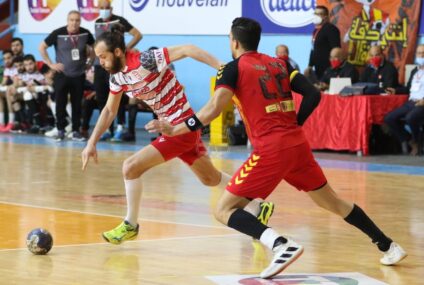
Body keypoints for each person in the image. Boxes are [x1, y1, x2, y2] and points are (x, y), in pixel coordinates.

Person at [146, 17, 407, 279]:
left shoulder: (233, 68)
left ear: (234, 41)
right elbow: (314, 95)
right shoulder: (280, 63)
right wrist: (295, 124)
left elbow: (214, 108)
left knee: (223, 210)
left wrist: (176, 128)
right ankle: (388, 245)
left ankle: (281, 244)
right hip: (297, 144)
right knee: (333, 202)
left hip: (271, 149)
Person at [81, 25, 274, 245]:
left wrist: (224, 68)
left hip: (181, 127)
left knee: (130, 167)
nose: (101, 63)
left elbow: (187, 49)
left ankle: (130, 225)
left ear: (117, 52)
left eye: (103, 57)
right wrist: (91, 142)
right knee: (210, 178)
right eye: (99, 58)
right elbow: (108, 110)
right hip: (175, 129)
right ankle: (255, 206)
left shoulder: (145, 60)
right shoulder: (116, 78)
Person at [39, 10, 95, 141]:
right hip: (62, 75)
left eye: (77, 20)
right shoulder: (58, 33)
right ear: (67, 20)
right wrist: (51, 64)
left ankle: (76, 131)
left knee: (77, 104)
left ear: (80, 21)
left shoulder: (85, 33)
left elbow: (95, 48)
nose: (74, 23)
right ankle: (60, 130)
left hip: (79, 74)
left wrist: (90, 62)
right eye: (72, 20)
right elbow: (41, 47)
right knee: (60, 103)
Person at [94, 0, 142, 142]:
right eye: (101, 8)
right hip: (100, 65)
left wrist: (125, 49)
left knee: (118, 97)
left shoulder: (119, 21)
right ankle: (107, 129)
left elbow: (137, 34)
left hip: (115, 64)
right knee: (102, 96)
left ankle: (120, 128)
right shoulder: (97, 22)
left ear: (111, 8)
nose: (104, 10)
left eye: (106, 8)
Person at [384, 44, 424, 155]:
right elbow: (407, 89)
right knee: (389, 118)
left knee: (411, 118)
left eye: (423, 53)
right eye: (419, 53)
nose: (421, 56)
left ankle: (418, 142)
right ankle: (410, 140)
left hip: (422, 103)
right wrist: (395, 91)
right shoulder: (414, 71)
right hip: (411, 102)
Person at [304, 5, 340, 81]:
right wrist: (310, 65)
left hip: (328, 69)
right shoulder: (316, 31)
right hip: (318, 68)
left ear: (326, 17)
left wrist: (333, 68)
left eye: (319, 14)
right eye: (315, 13)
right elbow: (314, 49)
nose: (316, 16)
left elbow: (336, 49)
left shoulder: (331, 29)